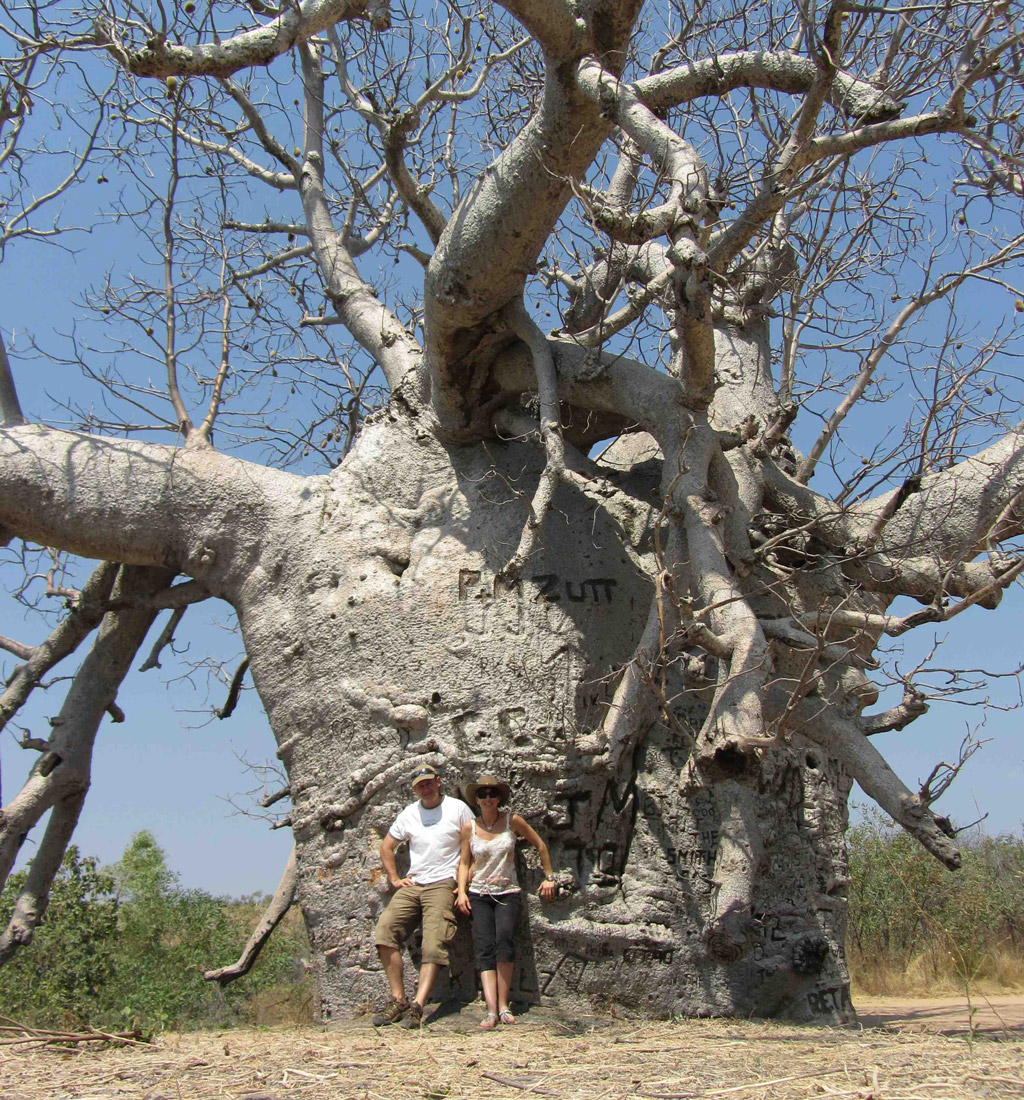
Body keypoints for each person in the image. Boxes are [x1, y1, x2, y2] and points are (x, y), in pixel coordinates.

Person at [372, 764, 474, 1029]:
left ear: (438, 782)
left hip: (443, 883)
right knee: (384, 932)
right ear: (414, 789)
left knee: (433, 944)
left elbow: (472, 844)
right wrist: (395, 879)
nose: (425, 788)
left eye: (428, 783)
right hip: (414, 884)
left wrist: (465, 879)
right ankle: (398, 1000)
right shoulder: (409, 813)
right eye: (419, 785)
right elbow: (387, 846)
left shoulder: (458, 809)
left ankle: (417, 1006)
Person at [456, 773, 557, 1029]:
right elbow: (465, 861)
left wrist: (549, 877)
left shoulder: (512, 821)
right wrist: (462, 891)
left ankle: (503, 1005)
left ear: (499, 797)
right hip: (479, 894)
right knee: (484, 948)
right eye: (483, 794)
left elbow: (540, 844)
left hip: (507, 893)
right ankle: (490, 1009)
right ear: (476, 799)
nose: (488, 798)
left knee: (505, 943)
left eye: (492, 794)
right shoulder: (470, 827)